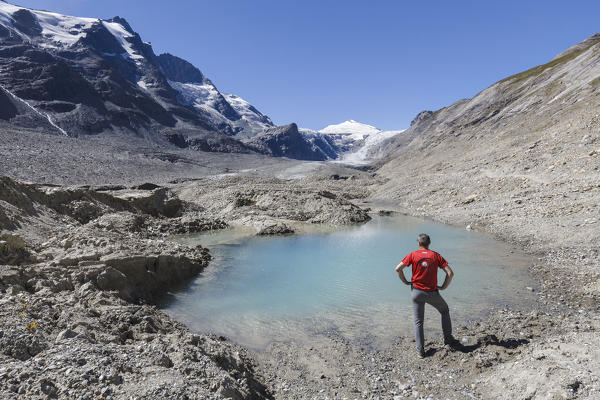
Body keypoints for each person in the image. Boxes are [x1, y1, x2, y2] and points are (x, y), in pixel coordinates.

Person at [395, 233, 458, 358]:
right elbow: (450, 273)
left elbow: (398, 269)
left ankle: (420, 351)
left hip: (416, 292)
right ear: (429, 243)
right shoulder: (435, 255)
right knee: (444, 311)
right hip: (432, 292)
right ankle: (448, 340)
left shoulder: (412, 254)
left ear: (418, 243)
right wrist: (444, 287)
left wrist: (406, 282)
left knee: (418, 322)